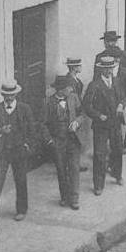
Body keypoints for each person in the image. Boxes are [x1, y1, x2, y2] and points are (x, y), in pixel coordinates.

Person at [0, 80, 45, 221]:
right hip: (3, 152)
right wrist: (0, 130)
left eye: (12, 94)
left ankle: (21, 210)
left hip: (19, 150)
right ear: (2, 95)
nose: (9, 97)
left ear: (16, 94)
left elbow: (32, 130)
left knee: (21, 180)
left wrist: (28, 146)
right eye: (6, 95)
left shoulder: (25, 109)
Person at [83, 56, 125, 194]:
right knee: (99, 155)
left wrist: (121, 105)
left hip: (115, 123)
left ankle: (117, 175)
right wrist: (98, 115)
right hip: (101, 126)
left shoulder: (117, 82)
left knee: (118, 150)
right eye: (106, 69)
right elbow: (87, 106)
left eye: (111, 68)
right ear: (102, 69)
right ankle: (98, 185)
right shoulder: (94, 85)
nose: (109, 71)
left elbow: (123, 98)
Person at [43, 75, 83, 210]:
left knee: (74, 168)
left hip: (72, 139)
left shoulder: (73, 98)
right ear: (60, 89)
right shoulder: (48, 102)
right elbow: (43, 124)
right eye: (68, 87)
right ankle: (64, 197)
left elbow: (81, 113)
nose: (71, 89)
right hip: (57, 141)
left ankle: (75, 198)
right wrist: (49, 140)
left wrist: (77, 122)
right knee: (61, 170)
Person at [65, 56, 90, 172]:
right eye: (79, 65)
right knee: (71, 138)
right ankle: (70, 165)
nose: (81, 67)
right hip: (71, 111)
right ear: (74, 68)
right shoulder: (68, 81)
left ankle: (74, 163)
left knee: (76, 138)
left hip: (78, 110)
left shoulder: (76, 80)